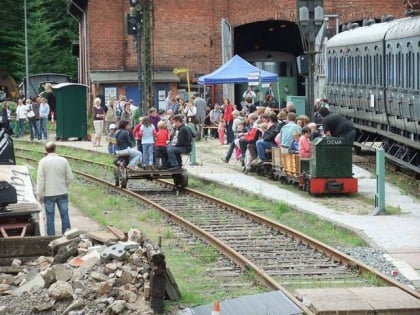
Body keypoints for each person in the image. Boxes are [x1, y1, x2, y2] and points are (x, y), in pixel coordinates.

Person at [36, 141, 74, 236]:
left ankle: (51, 237)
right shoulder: (63, 160)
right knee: (65, 215)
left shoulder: (43, 162)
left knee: (50, 217)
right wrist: (64, 185)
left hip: (49, 194)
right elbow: (70, 177)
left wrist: (39, 195)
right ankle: (67, 235)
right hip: (62, 192)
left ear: (46, 150)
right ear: (55, 148)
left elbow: (41, 180)